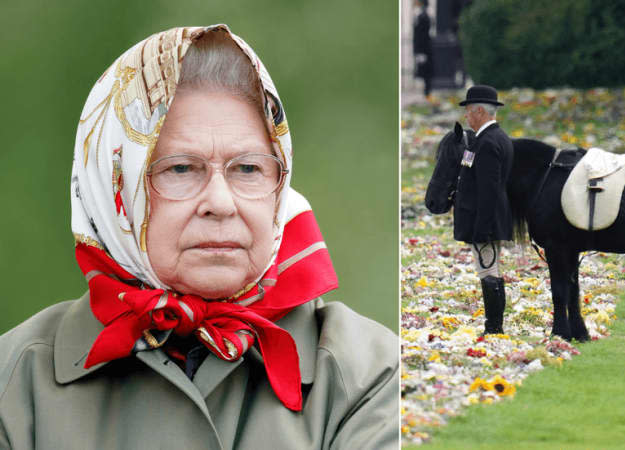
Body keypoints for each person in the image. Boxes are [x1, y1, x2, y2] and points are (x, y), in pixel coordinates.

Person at [0, 25, 398, 449]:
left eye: (248, 169)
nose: (221, 203)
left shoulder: (368, 373)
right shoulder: (17, 379)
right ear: (115, 189)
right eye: (181, 169)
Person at [455, 85, 514, 335]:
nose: (466, 117)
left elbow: (488, 191)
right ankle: (494, 324)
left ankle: (494, 327)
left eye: (468, 112)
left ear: (479, 111)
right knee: (491, 270)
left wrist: (481, 228)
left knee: (488, 272)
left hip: (485, 221)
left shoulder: (488, 143)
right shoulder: (488, 139)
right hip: (487, 218)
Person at [413, 0, 433, 99]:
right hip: (424, 49)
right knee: (425, 74)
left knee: (426, 74)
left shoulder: (422, 17)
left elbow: (420, 36)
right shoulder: (422, 16)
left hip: (424, 49)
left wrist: (419, 51)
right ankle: (427, 94)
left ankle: (427, 94)